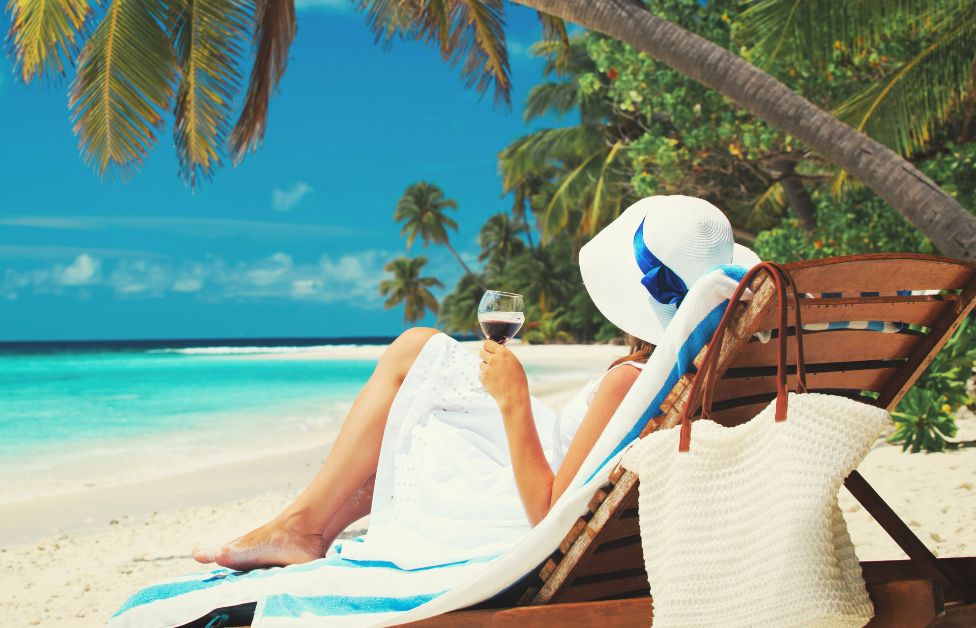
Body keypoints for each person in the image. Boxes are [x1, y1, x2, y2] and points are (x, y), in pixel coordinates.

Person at [192, 195, 758, 572]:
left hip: (527, 500)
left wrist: (513, 399)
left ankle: (301, 528)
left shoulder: (630, 380)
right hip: (568, 473)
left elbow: (548, 515)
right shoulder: (714, 364)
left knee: (414, 356)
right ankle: (305, 528)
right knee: (421, 357)